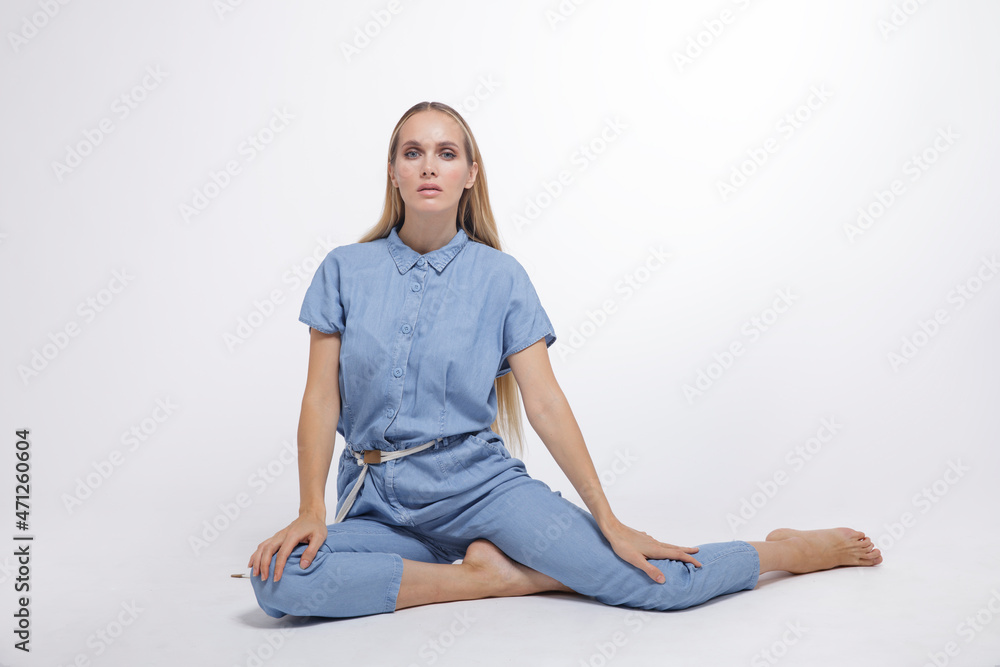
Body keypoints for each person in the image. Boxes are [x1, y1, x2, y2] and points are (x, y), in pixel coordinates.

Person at [239, 101, 882, 619]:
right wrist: (311, 512)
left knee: (655, 586)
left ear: (470, 173)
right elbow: (320, 398)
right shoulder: (344, 269)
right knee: (279, 583)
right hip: (377, 499)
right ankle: (488, 580)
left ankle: (783, 551)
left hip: (478, 491)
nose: (429, 166)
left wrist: (610, 520)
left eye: (446, 153)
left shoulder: (502, 277)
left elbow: (543, 402)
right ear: (393, 171)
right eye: (413, 153)